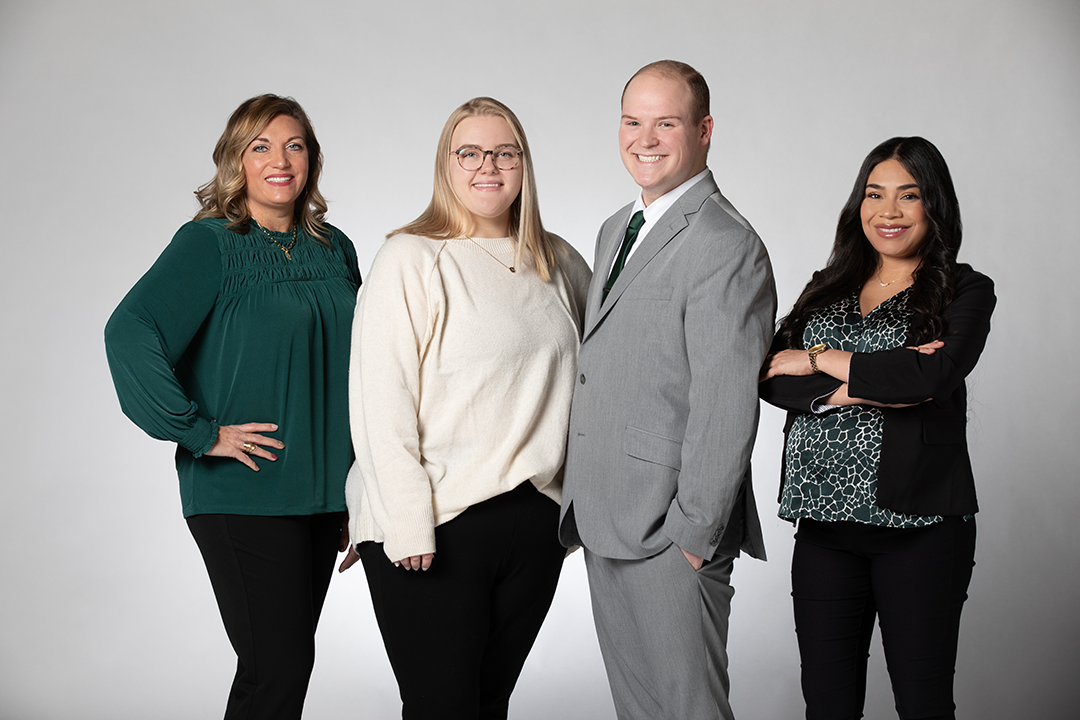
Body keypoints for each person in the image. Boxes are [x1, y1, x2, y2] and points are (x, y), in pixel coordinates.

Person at [104, 94, 360, 720]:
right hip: (243, 491)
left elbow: (364, 369)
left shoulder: (335, 248)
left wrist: (363, 486)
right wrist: (199, 432)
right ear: (235, 161)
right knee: (278, 665)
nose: (281, 160)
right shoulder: (208, 244)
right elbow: (130, 330)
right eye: (261, 146)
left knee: (285, 669)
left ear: (312, 161)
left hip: (326, 497)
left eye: (295, 145)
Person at [339, 96, 591, 720]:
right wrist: (407, 520)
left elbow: (605, 372)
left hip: (533, 520)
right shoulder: (411, 258)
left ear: (524, 164)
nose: (489, 166)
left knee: (488, 705)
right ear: (446, 165)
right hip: (435, 521)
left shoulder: (557, 261)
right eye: (470, 153)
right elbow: (380, 398)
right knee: (442, 707)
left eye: (505, 153)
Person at [558, 60, 777, 720]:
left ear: (704, 130)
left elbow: (726, 399)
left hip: (671, 530)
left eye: (666, 123)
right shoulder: (614, 229)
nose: (644, 139)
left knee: (687, 711)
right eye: (632, 121)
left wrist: (693, 532)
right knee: (640, 711)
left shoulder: (724, 242)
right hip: (605, 517)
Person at [759, 136, 995, 720]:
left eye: (908, 196)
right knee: (828, 707)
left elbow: (933, 375)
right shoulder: (828, 285)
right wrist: (885, 378)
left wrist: (819, 359)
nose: (887, 212)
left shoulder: (965, 289)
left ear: (934, 206)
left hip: (920, 527)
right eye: (874, 194)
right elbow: (770, 378)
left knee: (922, 702)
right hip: (824, 528)